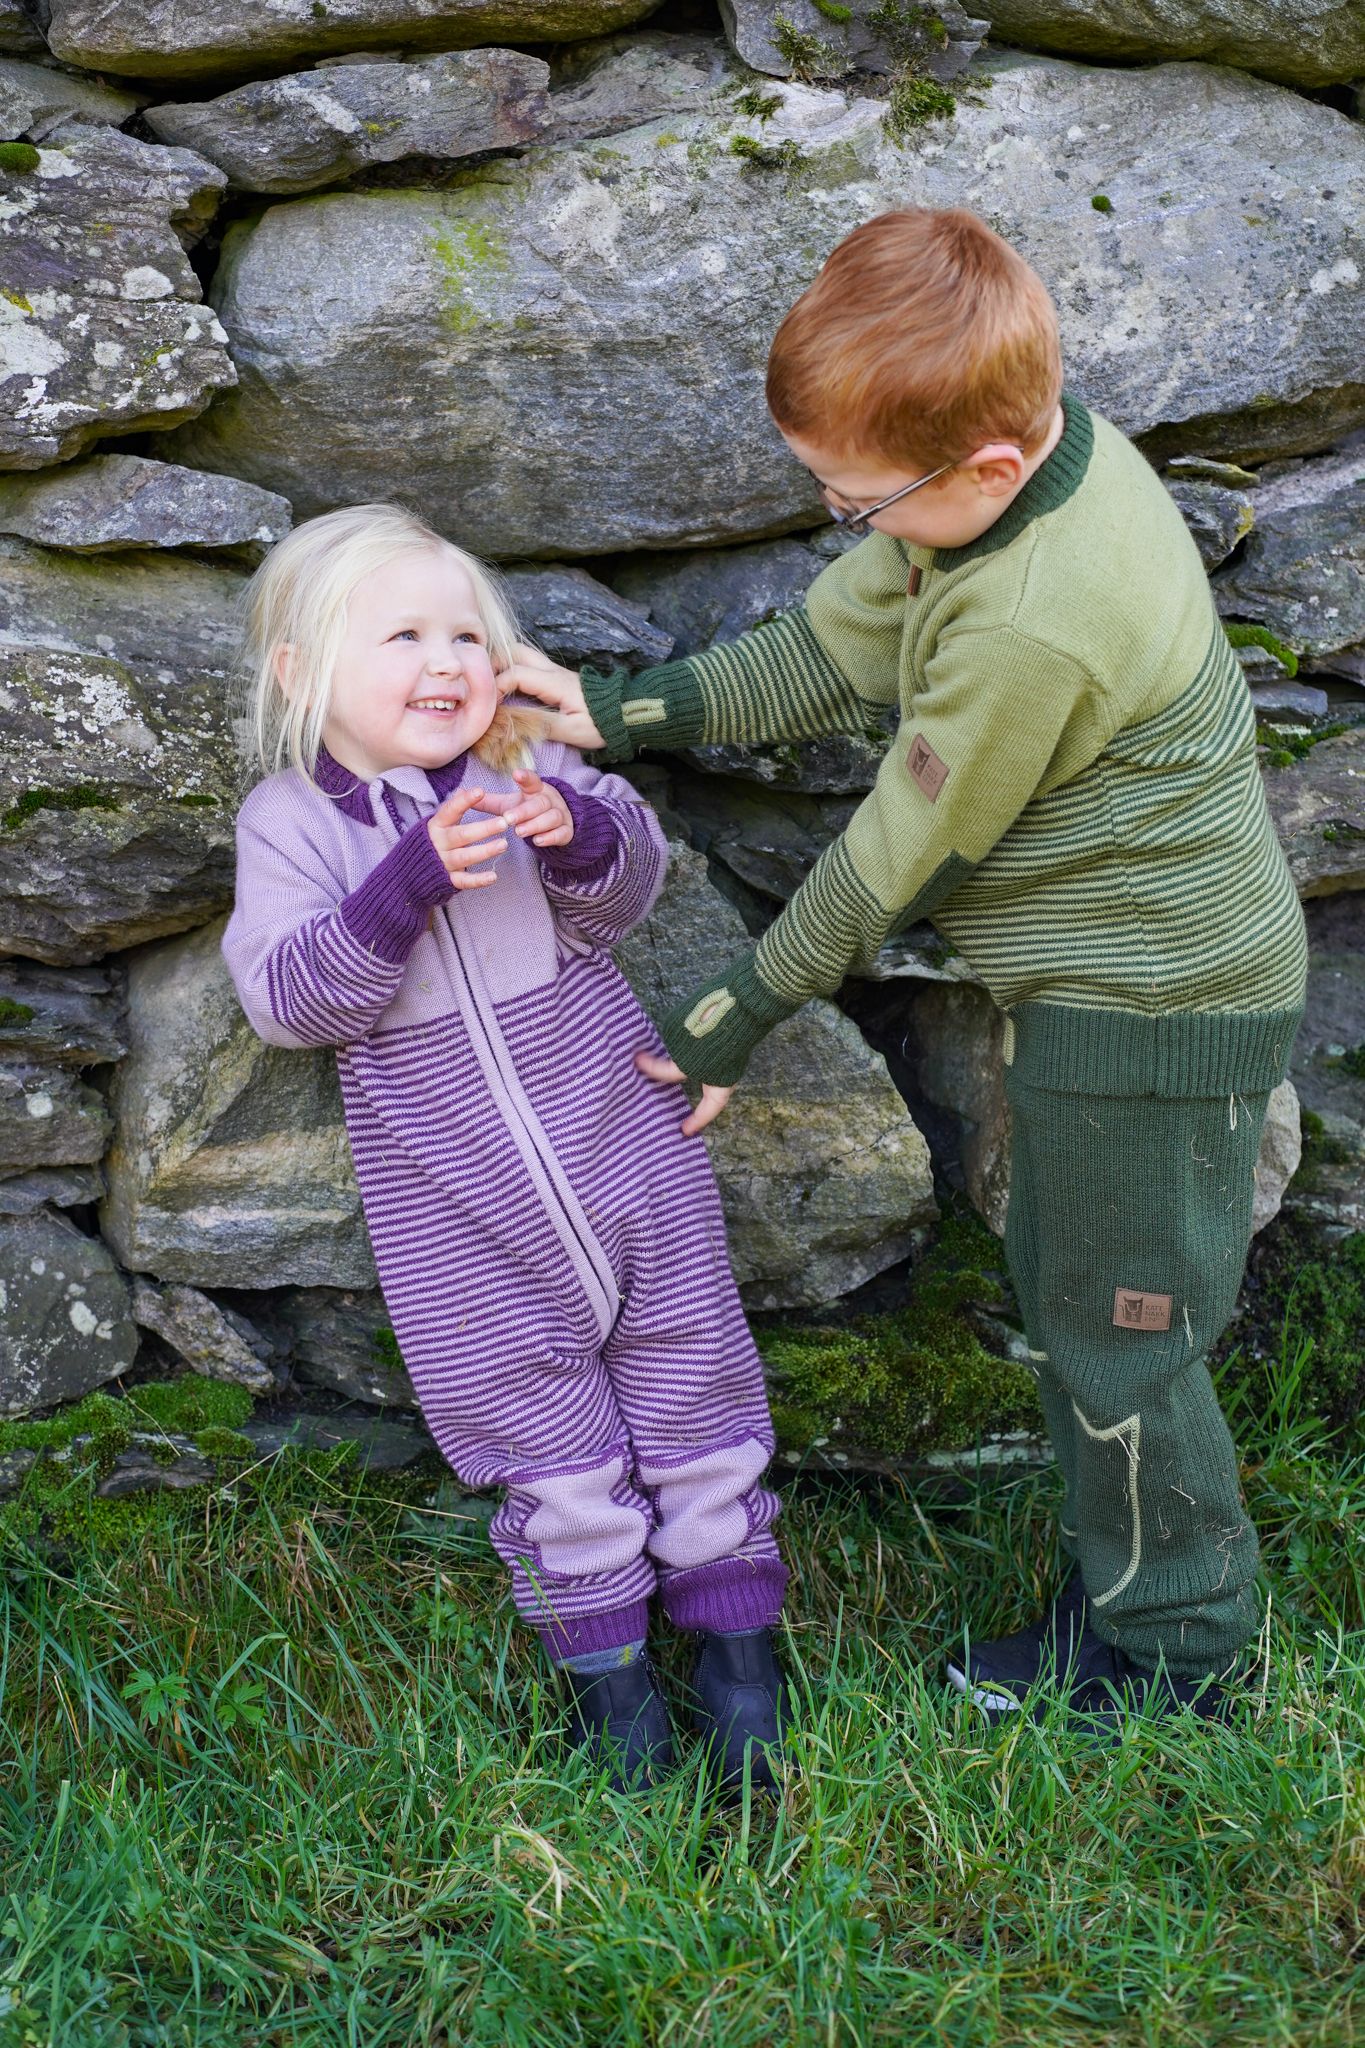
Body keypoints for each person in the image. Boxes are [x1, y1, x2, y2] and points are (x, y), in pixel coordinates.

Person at [502, 208, 1308, 1727]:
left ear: (984, 470)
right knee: (1091, 1308)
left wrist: (736, 1013)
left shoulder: (1034, 620)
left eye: (855, 495)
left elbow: (894, 860)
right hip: (1110, 990)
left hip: (1155, 1006)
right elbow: (826, 650)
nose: (837, 514)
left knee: (1117, 1332)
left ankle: (1177, 1661)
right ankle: (1135, 1588)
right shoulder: (1015, 483)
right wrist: (616, 714)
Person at [222, 503, 790, 1792]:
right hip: (457, 1207)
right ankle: (616, 1696)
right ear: (300, 675)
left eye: (464, 633)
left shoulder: (524, 765)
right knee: (543, 1437)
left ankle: (741, 1661)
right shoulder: (290, 825)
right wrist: (402, 883)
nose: (444, 662)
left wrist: (579, 836)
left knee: (695, 1381)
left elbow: (629, 891)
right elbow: (293, 1002)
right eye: (402, 636)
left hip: (623, 1149)